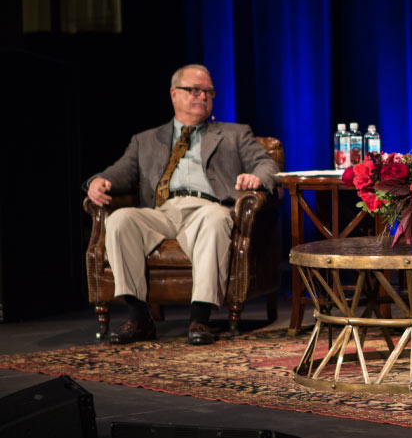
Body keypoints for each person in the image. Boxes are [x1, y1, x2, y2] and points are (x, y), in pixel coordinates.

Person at [85, 64, 280, 346]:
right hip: (162, 211)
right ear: (174, 94)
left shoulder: (235, 134)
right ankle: (139, 318)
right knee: (120, 219)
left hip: (208, 208)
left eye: (208, 91)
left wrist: (256, 178)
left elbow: (267, 165)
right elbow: (121, 172)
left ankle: (200, 318)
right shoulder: (146, 139)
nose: (203, 96)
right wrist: (99, 181)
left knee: (215, 219)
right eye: (195, 90)